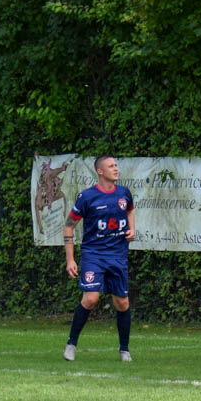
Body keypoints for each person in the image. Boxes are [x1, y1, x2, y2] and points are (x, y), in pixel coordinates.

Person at [63, 155, 136, 363]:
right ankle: (71, 344)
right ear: (100, 171)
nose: (116, 168)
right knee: (91, 299)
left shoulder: (124, 193)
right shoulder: (87, 197)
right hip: (93, 255)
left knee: (122, 303)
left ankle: (124, 350)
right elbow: (68, 226)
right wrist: (70, 260)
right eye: (111, 166)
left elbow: (130, 211)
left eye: (116, 165)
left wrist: (132, 230)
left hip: (118, 255)